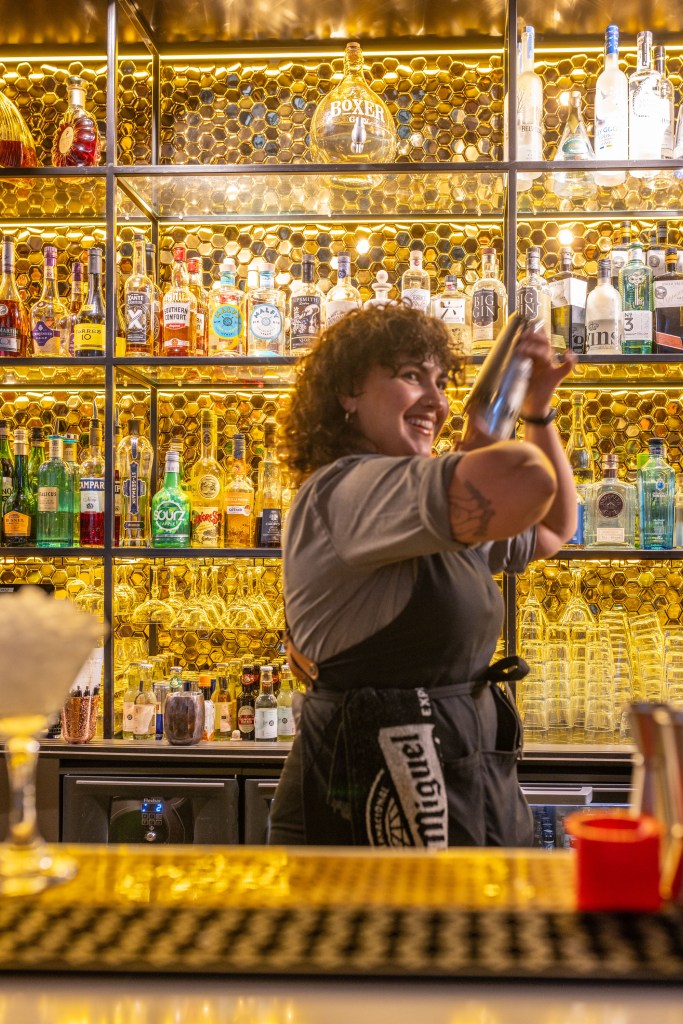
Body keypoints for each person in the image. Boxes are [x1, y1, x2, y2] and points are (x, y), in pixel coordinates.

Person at [269, 302, 577, 848]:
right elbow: (524, 478)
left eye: (440, 382)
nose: (437, 401)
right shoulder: (349, 490)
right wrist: (486, 426)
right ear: (348, 391)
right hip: (364, 809)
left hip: (465, 787)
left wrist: (536, 413)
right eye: (412, 376)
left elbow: (554, 527)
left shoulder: (423, 512)